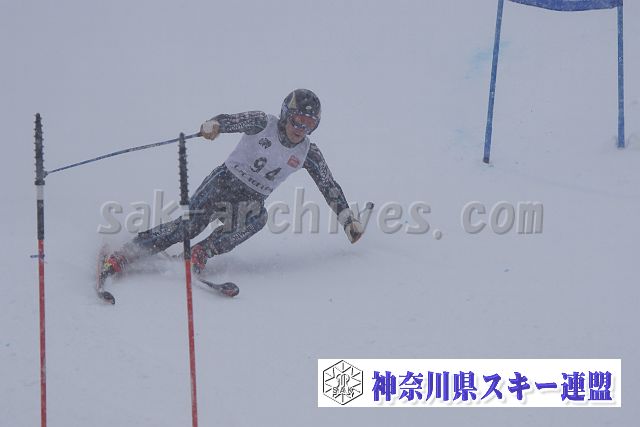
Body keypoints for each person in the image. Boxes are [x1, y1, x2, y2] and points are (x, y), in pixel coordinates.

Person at [101, 89, 364, 278]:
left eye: (309, 124)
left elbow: (328, 185)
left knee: (258, 218)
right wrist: (214, 125)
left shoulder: (308, 153)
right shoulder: (262, 123)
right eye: (297, 120)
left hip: (251, 199)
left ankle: (200, 253)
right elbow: (230, 120)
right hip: (223, 182)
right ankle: (125, 254)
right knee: (189, 226)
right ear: (286, 115)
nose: (300, 129)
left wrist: (347, 219)